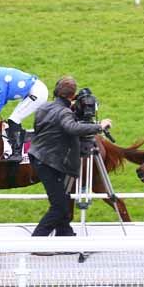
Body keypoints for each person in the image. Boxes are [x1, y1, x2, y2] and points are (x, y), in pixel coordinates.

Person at [28, 76, 111, 238]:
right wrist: (99, 127)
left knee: (63, 201)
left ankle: (65, 236)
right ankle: (37, 241)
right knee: (59, 206)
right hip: (50, 163)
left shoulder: (44, 108)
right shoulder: (65, 113)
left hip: (40, 158)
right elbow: (71, 127)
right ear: (72, 96)